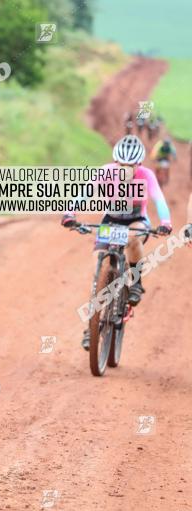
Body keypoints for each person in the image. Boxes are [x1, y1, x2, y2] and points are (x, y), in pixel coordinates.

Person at [61, 135, 172, 350]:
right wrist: (69, 212)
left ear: (138, 164)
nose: (125, 168)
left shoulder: (147, 175)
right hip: (110, 220)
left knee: (133, 239)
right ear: (115, 162)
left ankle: (136, 283)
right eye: (121, 164)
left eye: (130, 165)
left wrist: (166, 221)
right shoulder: (105, 171)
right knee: (100, 265)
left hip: (136, 221)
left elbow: (159, 199)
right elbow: (85, 192)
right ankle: (92, 327)